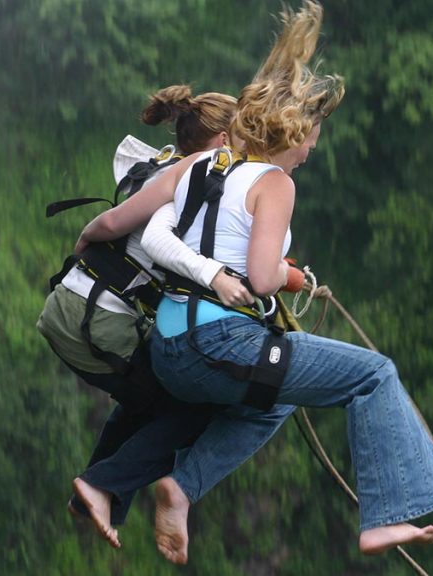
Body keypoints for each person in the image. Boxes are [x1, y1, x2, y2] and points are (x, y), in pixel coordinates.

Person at [75, 0, 433, 564]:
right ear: (293, 132)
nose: (310, 153)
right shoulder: (276, 185)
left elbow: (117, 223)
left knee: (273, 402)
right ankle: (385, 518)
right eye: (310, 141)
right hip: (219, 343)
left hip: (170, 346)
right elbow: (260, 277)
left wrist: (85, 243)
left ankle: (178, 488)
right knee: (375, 374)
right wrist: (285, 275)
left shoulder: (198, 165)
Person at [38, 85, 290, 549]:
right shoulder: (198, 182)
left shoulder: (162, 166)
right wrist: (246, 277)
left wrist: (83, 247)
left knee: (149, 396)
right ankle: (101, 487)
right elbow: (160, 241)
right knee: (198, 406)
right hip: (98, 325)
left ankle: (94, 493)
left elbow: (110, 225)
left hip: (68, 306)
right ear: (223, 140)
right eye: (245, 136)